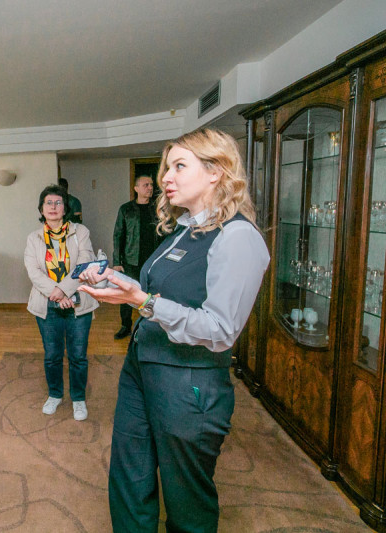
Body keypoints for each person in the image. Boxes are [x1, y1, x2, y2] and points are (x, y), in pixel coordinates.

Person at [78, 128, 269, 532]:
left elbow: (221, 329)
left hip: (187, 383)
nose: (166, 177)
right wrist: (119, 283)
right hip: (142, 366)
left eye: (179, 166)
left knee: (187, 500)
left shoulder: (238, 237)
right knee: (130, 476)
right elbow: (158, 290)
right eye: (167, 167)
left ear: (216, 171)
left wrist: (142, 301)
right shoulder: (185, 228)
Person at [24, 184, 98, 421]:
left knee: (78, 356)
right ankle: (55, 394)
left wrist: (64, 291)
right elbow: (33, 271)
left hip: (79, 304)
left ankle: (78, 398)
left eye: (58, 202)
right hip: (47, 304)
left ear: (65, 208)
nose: (53, 207)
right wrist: (57, 293)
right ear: (41, 209)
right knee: (52, 355)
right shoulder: (33, 238)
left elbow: (84, 263)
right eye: (49, 203)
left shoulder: (80, 232)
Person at [111, 175, 162, 339]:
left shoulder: (157, 209)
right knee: (126, 294)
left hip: (152, 261)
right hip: (131, 260)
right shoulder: (126, 209)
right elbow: (118, 235)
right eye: (146, 185)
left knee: (151, 295)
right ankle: (125, 326)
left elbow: (163, 233)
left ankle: (149, 326)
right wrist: (117, 261)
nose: (150, 188)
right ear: (136, 188)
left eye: (151, 185)